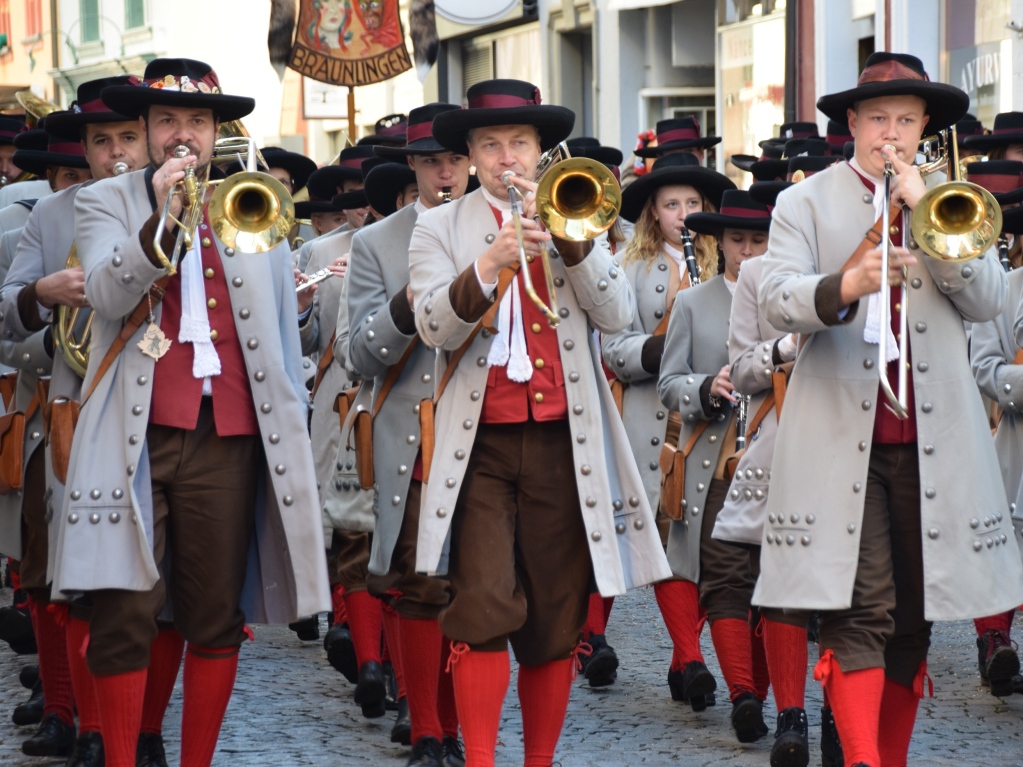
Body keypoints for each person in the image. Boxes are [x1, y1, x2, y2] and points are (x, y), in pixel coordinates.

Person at [53, 58, 330, 767]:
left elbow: (272, 323)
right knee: (124, 608)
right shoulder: (106, 200)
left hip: (229, 432)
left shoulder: (253, 199)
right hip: (134, 434)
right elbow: (110, 296)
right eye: (168, 121)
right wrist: (163, 216)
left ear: (217, 131)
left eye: (198, 123)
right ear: (143, 131)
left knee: (211, 614)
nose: (184, 136)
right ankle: (120, 755)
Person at [757, 52, 1023, 767]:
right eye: (877, 119)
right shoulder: (803, 202)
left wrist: (928, 218)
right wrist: (842, 281)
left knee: (912, 619)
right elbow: (773, 299)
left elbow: (988, 300)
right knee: (860, 612)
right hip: (840, 438)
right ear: (851, 123)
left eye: (905, 122)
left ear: (923, 130)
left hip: (931, 439)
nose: (890, 135)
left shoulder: (948, 197)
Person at [409, 78, 670, 767]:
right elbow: (432, 325)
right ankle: (483, 758)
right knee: (481, 605)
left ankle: (539, 759)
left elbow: (618, 317)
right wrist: (490, 261)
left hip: (563, 440)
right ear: (467, 153)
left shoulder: (572, 211)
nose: (506, 158)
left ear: (539, 149)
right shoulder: (437, 225)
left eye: (518, 144)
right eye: (490, 144)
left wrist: (574, 243)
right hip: (480, 448)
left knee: (557, 617)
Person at [0, 76, 158, 767]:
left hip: (159, 415)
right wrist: (41, 298)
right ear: (86, 148)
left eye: (129, 137)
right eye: (102, 141)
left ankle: (126, 727)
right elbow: (7, 324)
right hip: (64, 412)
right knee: (58, 571)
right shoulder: (49, 215)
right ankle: (70, 713)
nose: (116, 153)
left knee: (151, 586)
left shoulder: (184, 200)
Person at [341, 102, 471, 767]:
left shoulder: (504, 229)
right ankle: (427, 729)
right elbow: (353, 355)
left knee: (478, 591)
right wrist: (404, 305)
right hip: (416, 437)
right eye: (429, 162)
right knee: (422, 585)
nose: (443, 173)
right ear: (411, 168)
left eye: (453, 160)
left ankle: (458, 726)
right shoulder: (375, 243)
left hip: (491, 434)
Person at [602, 152, 734, 701]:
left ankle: (687, 659)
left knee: (710, 544)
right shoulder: (626, 269)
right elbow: (613, 348)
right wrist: (661, 349)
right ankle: (690, 656)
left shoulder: (725, 265)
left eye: (692, 204)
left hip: (714, 420)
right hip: (650, 421)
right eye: (671, 204)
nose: (683, 213)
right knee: (666, 537)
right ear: (653, 213)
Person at [655, 189, 772, 744]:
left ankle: (771, 694)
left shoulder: (788, 298)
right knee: (726, 580)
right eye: (736, 239)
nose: (746, 251)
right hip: (716, 461)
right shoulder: (694, 302)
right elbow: (668, 383)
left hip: (780, 454)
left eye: (757, 240)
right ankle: (742, 693)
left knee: (774, 583)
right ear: (719, 241)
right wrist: (706, 386)